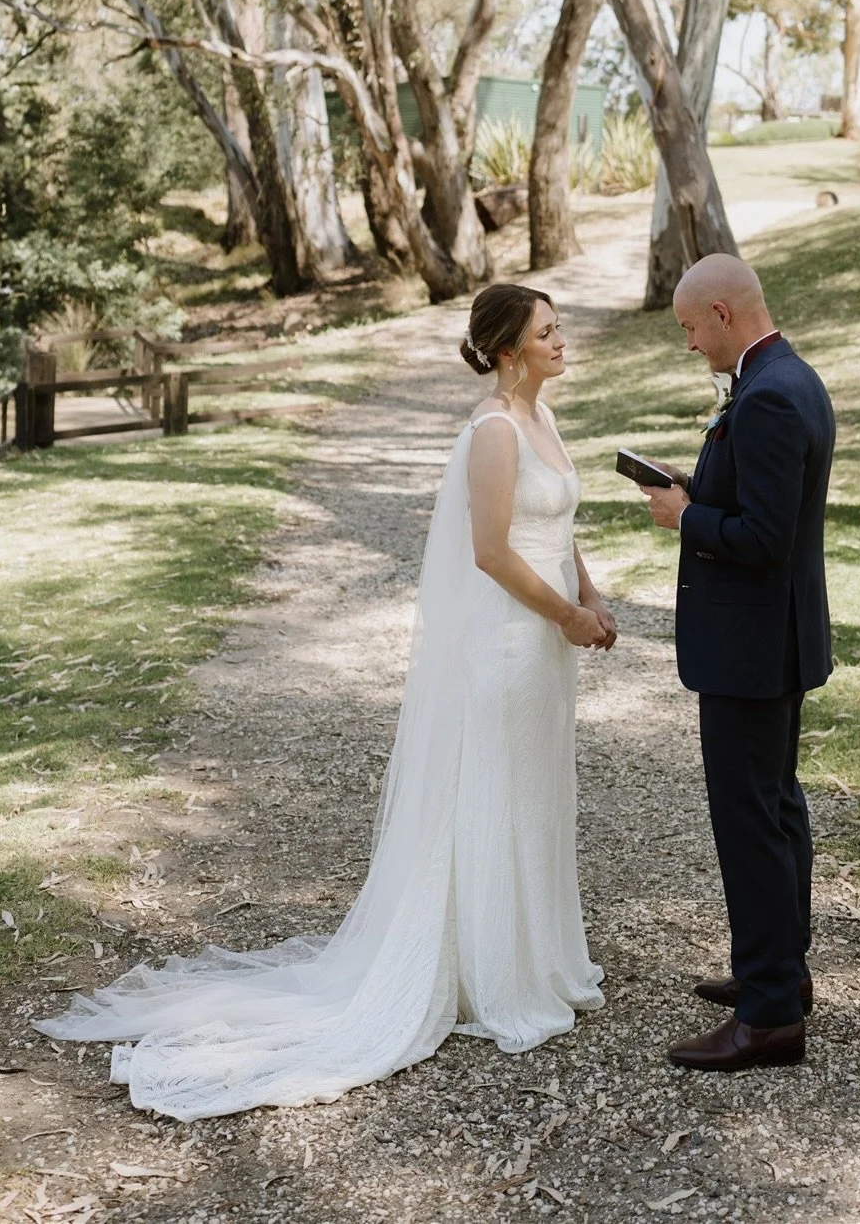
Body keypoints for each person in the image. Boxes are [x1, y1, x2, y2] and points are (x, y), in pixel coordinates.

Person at [35, 283, 616, 1119]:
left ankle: (535, 956)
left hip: (549, 639)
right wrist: (564, 615)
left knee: (534, 793)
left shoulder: (544, 421)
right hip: (507, 640)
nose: (562, 343)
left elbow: (558, 532)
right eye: (547, 333)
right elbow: (490, 553)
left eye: (559, 329)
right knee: (489, 793)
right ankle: (488, 974)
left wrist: (589, 598)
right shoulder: (491, 432)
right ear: (504, 352)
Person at [639, 253, 834, 1072]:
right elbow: (760, 505)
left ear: (721, 313)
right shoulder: (792, 378)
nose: (688, 345)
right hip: (773, 642)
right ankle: (779, 979)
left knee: (751, 825)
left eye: (688, 328)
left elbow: (763, 540)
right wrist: (698, 489)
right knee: (777, 810)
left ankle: (767, 1018)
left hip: (750, 651)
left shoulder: (767, 399)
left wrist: (685, 518)